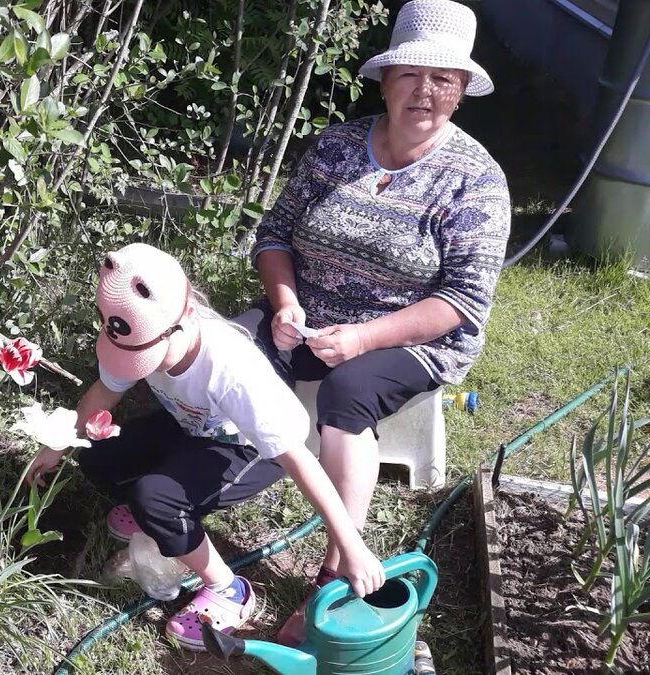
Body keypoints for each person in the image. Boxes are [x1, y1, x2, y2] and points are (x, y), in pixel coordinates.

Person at [240, 0, 511, 645]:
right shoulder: (335, 146)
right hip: (309, 319)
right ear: (385, 81)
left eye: (443, 79)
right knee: (224, 351)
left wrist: (363, 338)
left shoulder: (476, 180)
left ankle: (334, 571)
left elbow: (463, 301)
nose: (425, 90)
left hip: (416, 335)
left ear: (463, 91)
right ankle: (176, 504)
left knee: (347, 391)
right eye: (411, 74)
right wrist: (284, 304)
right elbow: (273, 236)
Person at [23, 242, 384, 651]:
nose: (147, 368)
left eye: (150, 357)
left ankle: (229, 588)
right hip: (191, 425)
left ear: (185, 318)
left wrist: (351, 547)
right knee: (99, 453)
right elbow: (104, 392)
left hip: (249, 449)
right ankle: (162, 522)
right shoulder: (131, 327)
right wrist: (58, 443)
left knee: (155, 498)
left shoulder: (231, 371)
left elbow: (301, 461)